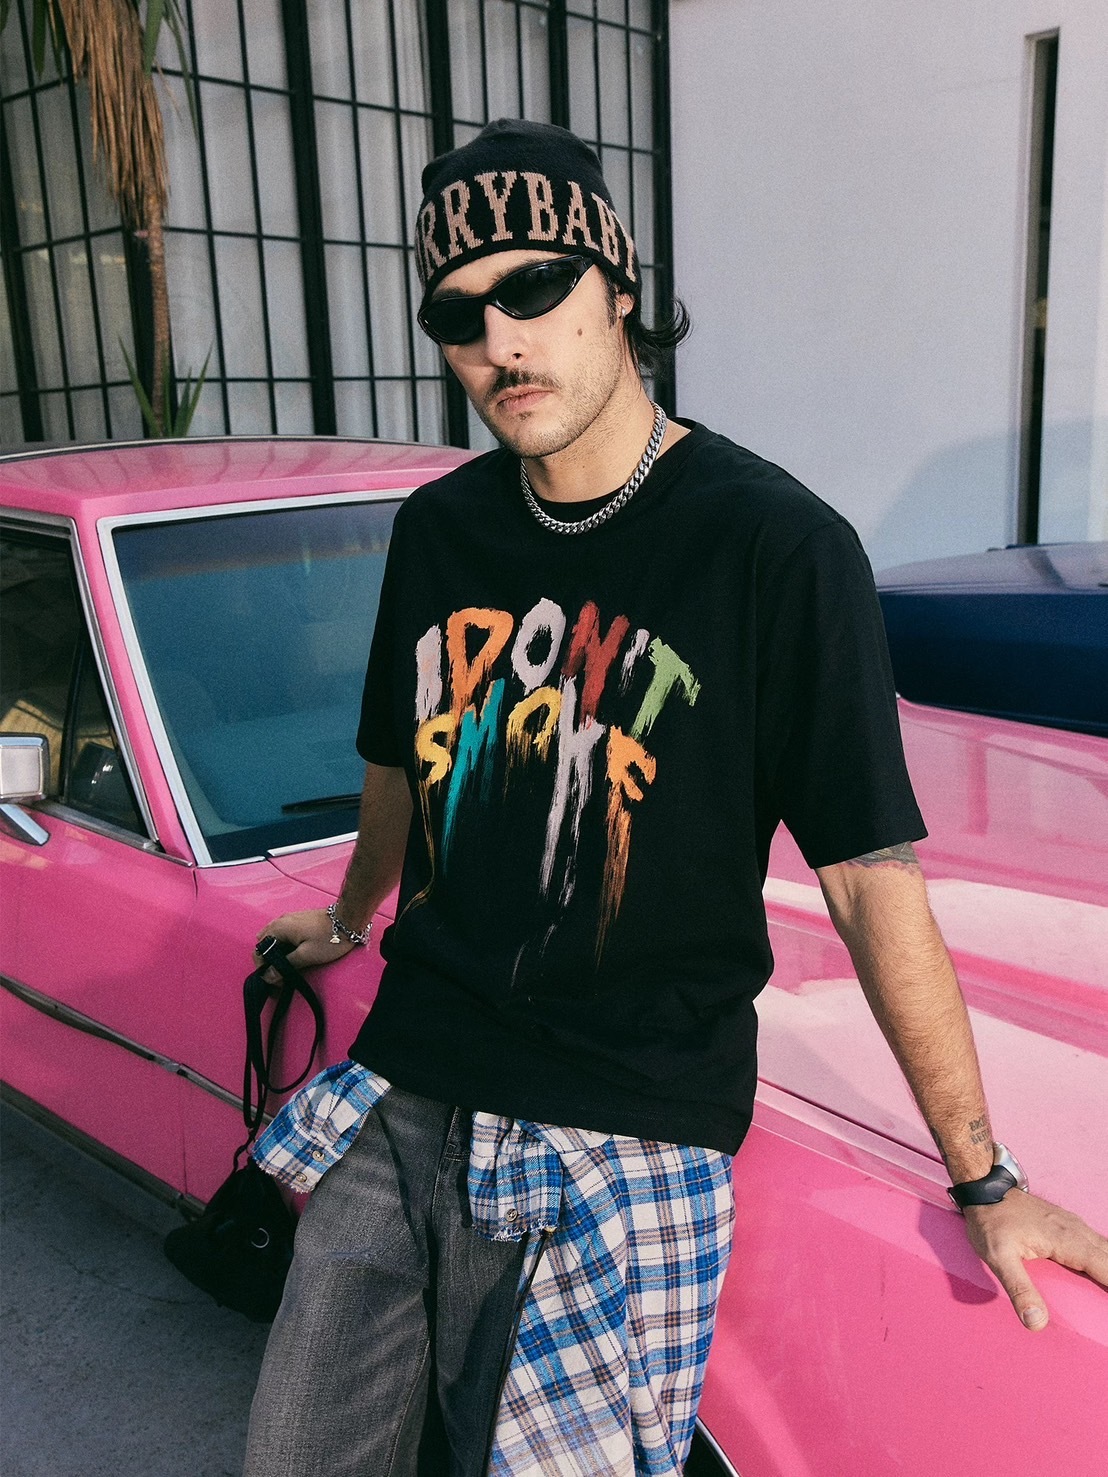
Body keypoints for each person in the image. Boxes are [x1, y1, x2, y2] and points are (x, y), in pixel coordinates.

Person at [243, 120, 1108, 1477]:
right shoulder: (439, 531)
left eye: (536, 289)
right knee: (297, 1461)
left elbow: (867, 876)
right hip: (414, 1075)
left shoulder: (776, 546)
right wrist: (350, 920)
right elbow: (400, 764)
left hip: (627, 1120)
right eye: (459, 315)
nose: (500, 343)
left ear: (619, 285)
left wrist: (983, 1174)